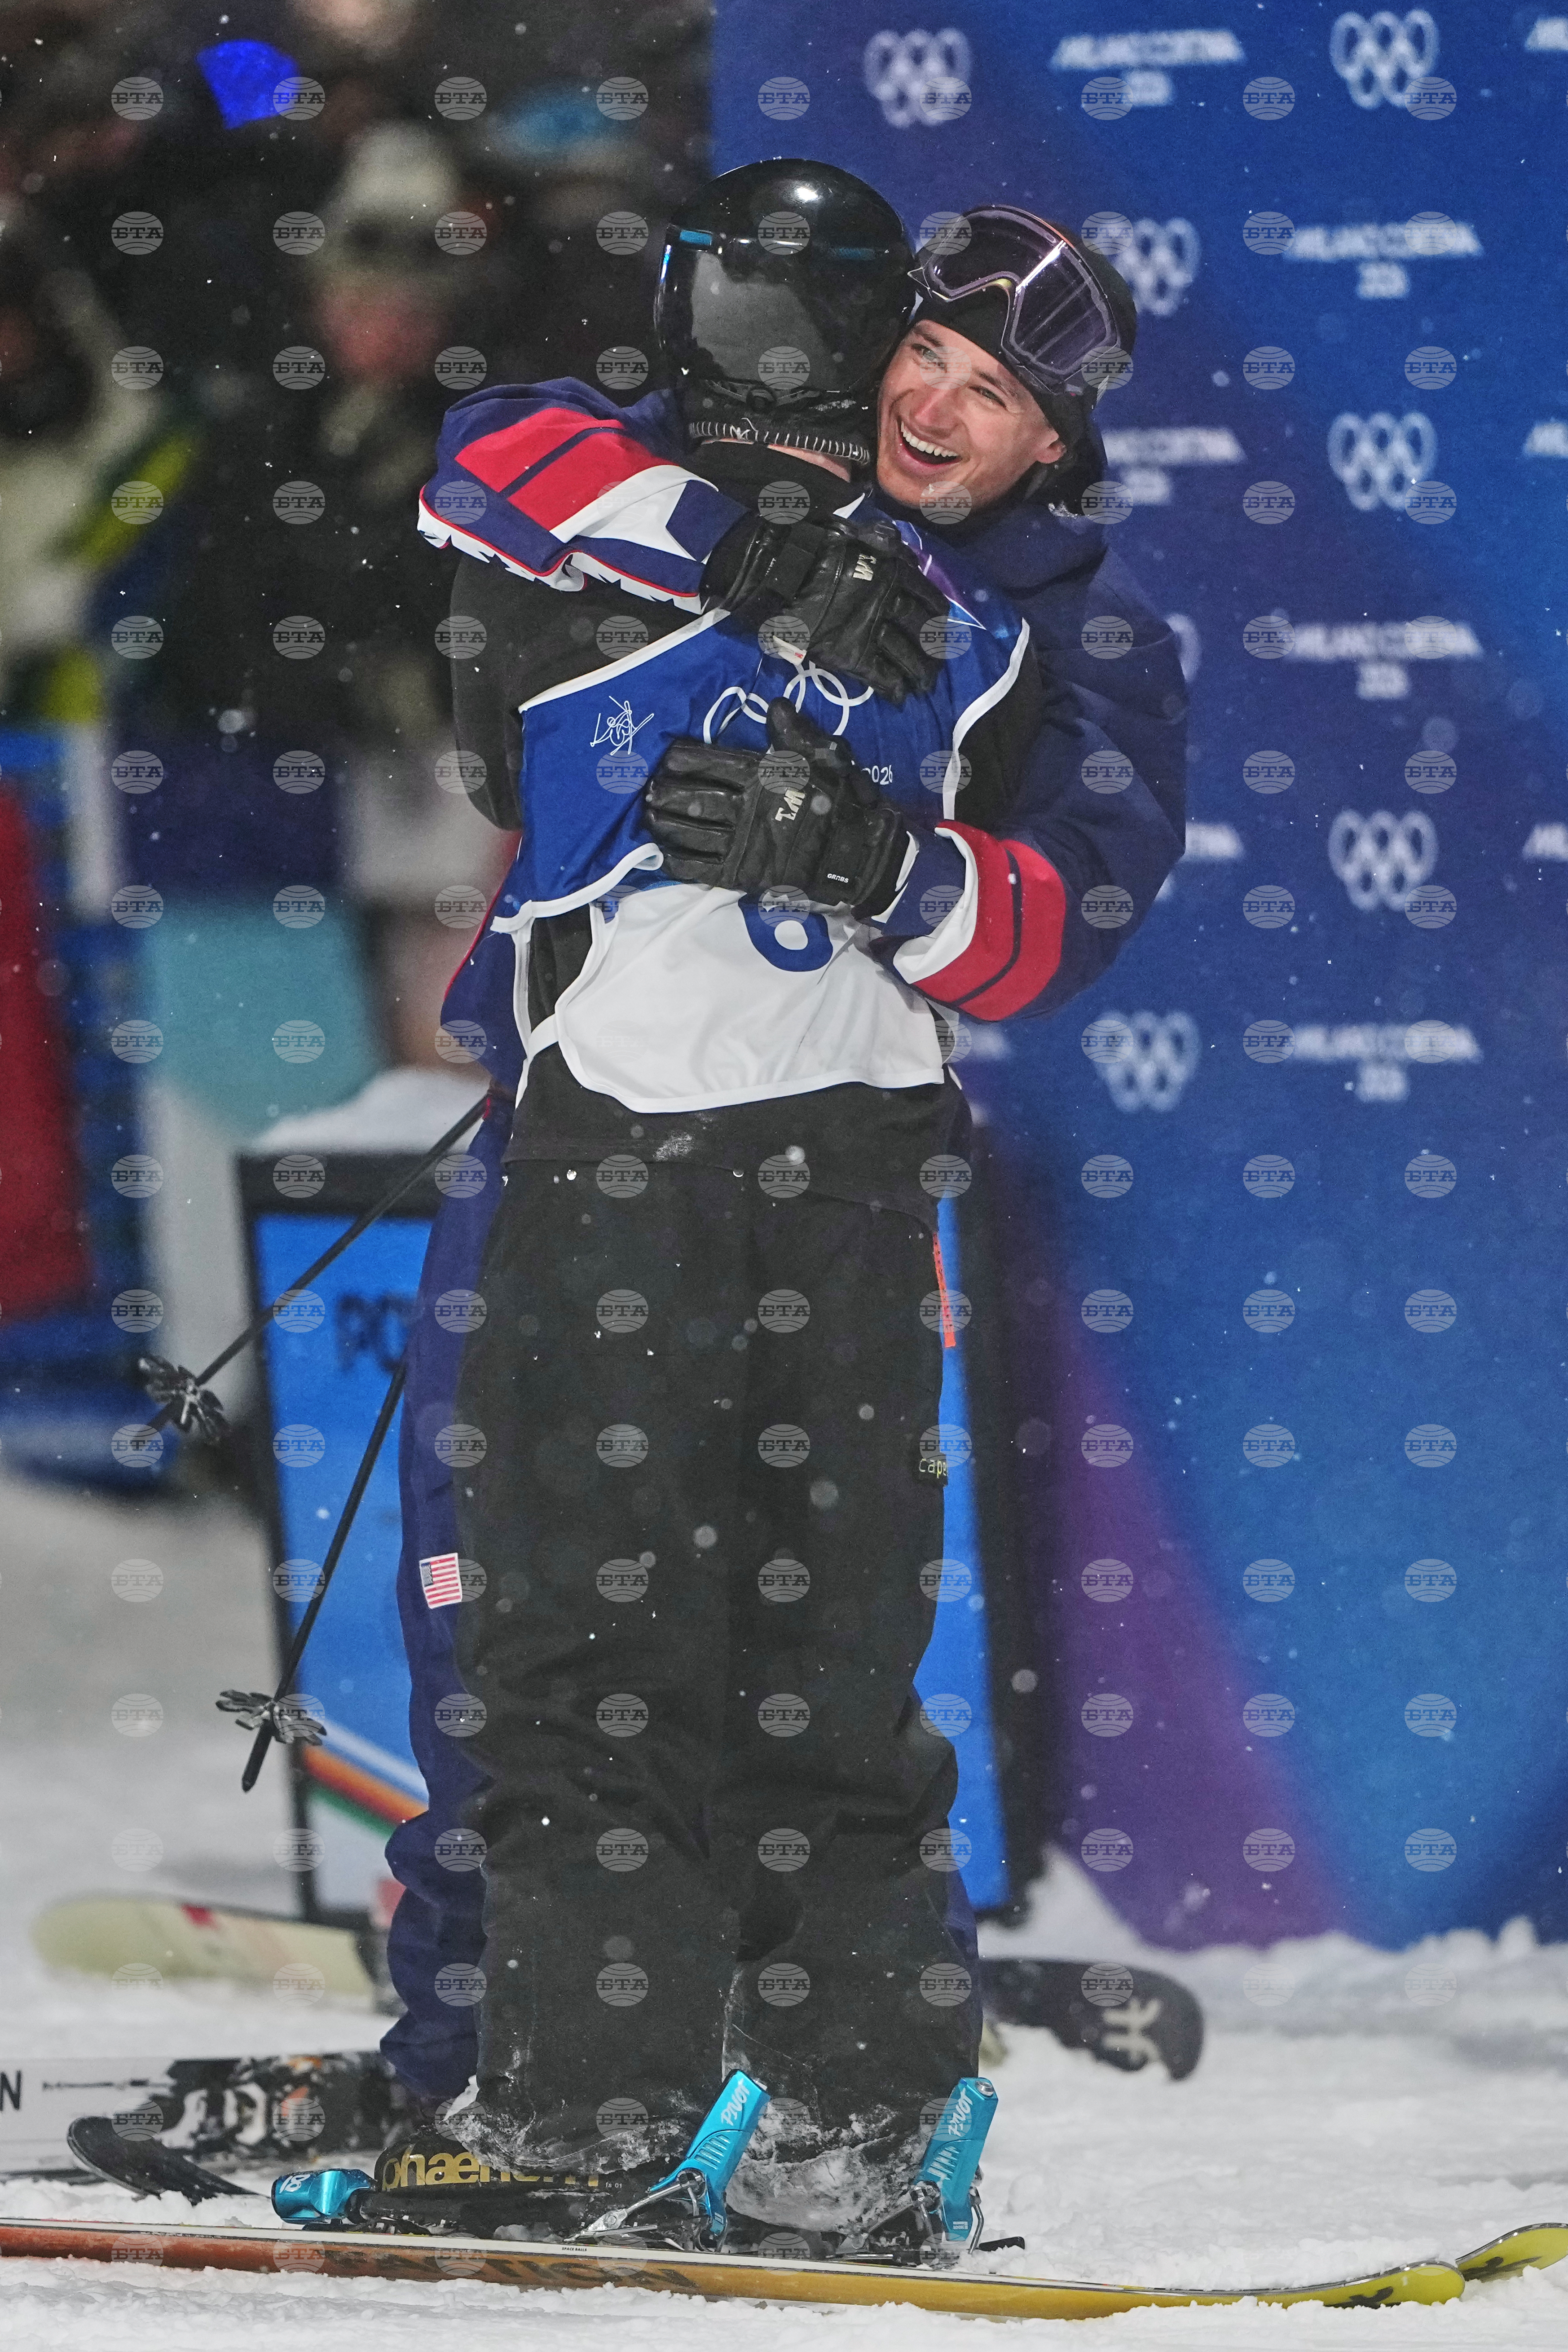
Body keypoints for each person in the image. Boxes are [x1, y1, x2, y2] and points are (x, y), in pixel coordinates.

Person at [377, 172, 1185, 2254]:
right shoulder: (722, 510)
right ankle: (592, 2093)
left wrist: (878, 860)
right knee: (578, 1647)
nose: (932, 401)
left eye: (989, 391)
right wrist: (749, 543)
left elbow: (1058, 923)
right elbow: (489, 464)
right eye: (919, 347)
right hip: (623, 1153)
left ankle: (796, 2116)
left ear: (1053, 446)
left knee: (763, 1666)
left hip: (793, 1174)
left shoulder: (1044, 634)